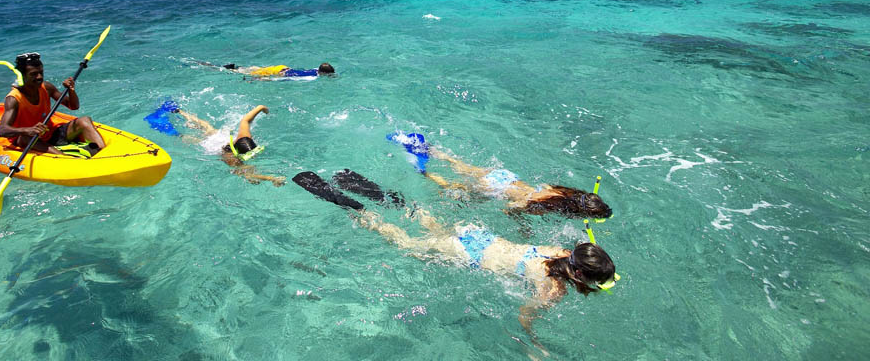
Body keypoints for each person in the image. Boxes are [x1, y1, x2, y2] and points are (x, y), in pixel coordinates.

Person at [293, 170, 619, 332]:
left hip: (478, 236)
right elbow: (524, 317)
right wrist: (532, 342)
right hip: (468, 255)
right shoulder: (552, 289)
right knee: (403, 244)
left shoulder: (562, 250)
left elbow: (582, 249)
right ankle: (358, 210)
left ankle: (384, 196)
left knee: (427, 221)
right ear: (579, 274)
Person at [425, 149, 612, 220]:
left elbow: (544, 185)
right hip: (494, 188)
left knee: (462, 166)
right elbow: (510, 207)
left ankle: (435, 152)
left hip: (504, 176)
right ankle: (423, 172)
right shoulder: (547, 206)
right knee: (454, 188)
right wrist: (522, 223)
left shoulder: (562, 191)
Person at [0, 52, 106, 156]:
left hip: (49, 134)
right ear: (22, 76)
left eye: (41, 72)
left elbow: (73, 106)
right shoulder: (14, 98)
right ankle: (65, 158)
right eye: (33, 74)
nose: (39, 77)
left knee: (84, 120)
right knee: (25, 137)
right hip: (29, 139)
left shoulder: (46, 87)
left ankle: (104, 153)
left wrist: (71, 90)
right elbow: (2, 130)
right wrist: (28, 130)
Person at [171, 104, 285, 186]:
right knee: (195, 140)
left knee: (207, 127)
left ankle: (180, 111)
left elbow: (245, 120)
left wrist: (261, 108)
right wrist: (271, 179)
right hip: (212, 146)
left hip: (222, 137)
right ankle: (177, 134)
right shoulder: (230, 158)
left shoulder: (244, 138)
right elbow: (246, 174)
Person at [223, 62, 335, 78]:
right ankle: (231, 70)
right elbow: (292, 79)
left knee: (258, 70)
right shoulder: (312, 78)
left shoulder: (316, 69)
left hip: (282, 67)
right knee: (253, 74)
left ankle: (237, 68)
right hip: (280, 73)